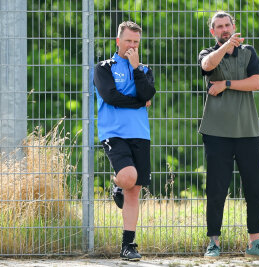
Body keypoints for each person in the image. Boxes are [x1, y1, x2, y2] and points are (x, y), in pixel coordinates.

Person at [198, 11, 259, 259]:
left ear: (234, 26)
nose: (224, 29)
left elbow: (256, 83)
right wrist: (225, 47)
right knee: (216, 189)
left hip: (248, 131)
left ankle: (255, 243)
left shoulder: (248, 52)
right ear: (213, 32)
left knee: (254, 187)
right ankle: (214, 244)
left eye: (227, 25)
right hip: (216, 132)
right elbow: (208, 66)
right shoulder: (208, 53)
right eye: (219, 27)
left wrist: (226, 84)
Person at [93, 21, 156, 261]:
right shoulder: (103, 67)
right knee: (128, 177)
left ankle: (128, 245)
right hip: (114, 133)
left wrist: (136, 68)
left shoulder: (144, 69)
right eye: (128, 41)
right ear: (118, 41)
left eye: (136, 42)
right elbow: (111, 96)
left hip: (140, 134)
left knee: (134, 191)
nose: (132, 46)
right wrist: (139, 103)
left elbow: (148, 93)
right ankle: (117, 184)